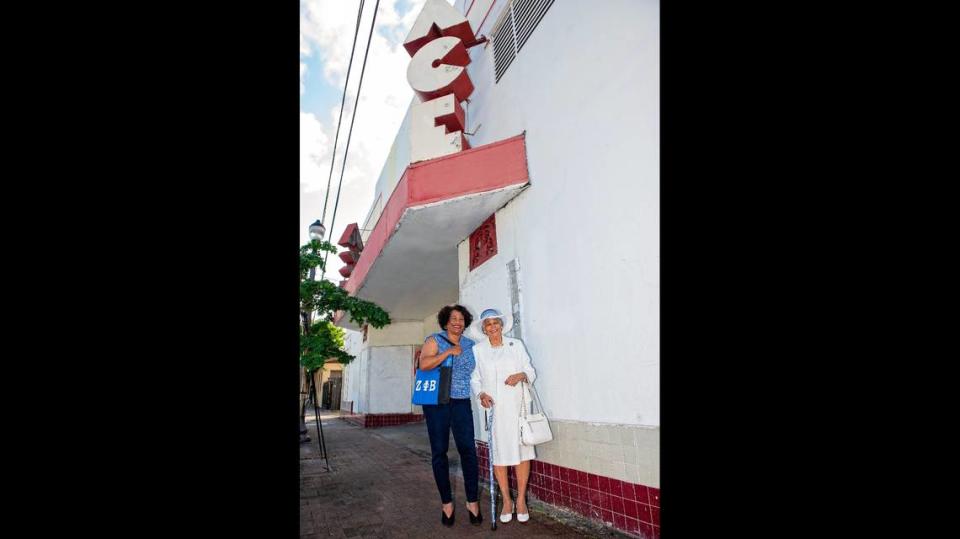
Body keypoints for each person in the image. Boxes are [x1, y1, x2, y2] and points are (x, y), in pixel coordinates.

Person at [470, 308, 537, 524]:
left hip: (518, 407)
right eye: (488, 324)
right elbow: (475, 378)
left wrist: (521, 375)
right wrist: (481, 394)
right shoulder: (478, 350)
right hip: (496, 410)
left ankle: (521, 502)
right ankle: (507, 501)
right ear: (483, 328)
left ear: (501, 324)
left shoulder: (515, 345)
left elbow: (530, 370)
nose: (492, 327)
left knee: (522, 452)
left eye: (495, 322)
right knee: (499, 454)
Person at [418, 304, 483, 527]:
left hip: (461, 402)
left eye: (461, 319)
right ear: (445, 322)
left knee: (468, 450)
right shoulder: (434, 340)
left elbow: (478, 374)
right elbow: (424, 364)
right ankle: (447, 503)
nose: (457, 322)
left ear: (465, 323)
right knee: (439, 452)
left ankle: (472, 501)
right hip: (437, 403)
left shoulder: (471, 345)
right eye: (453, 319)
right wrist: (447, 353)